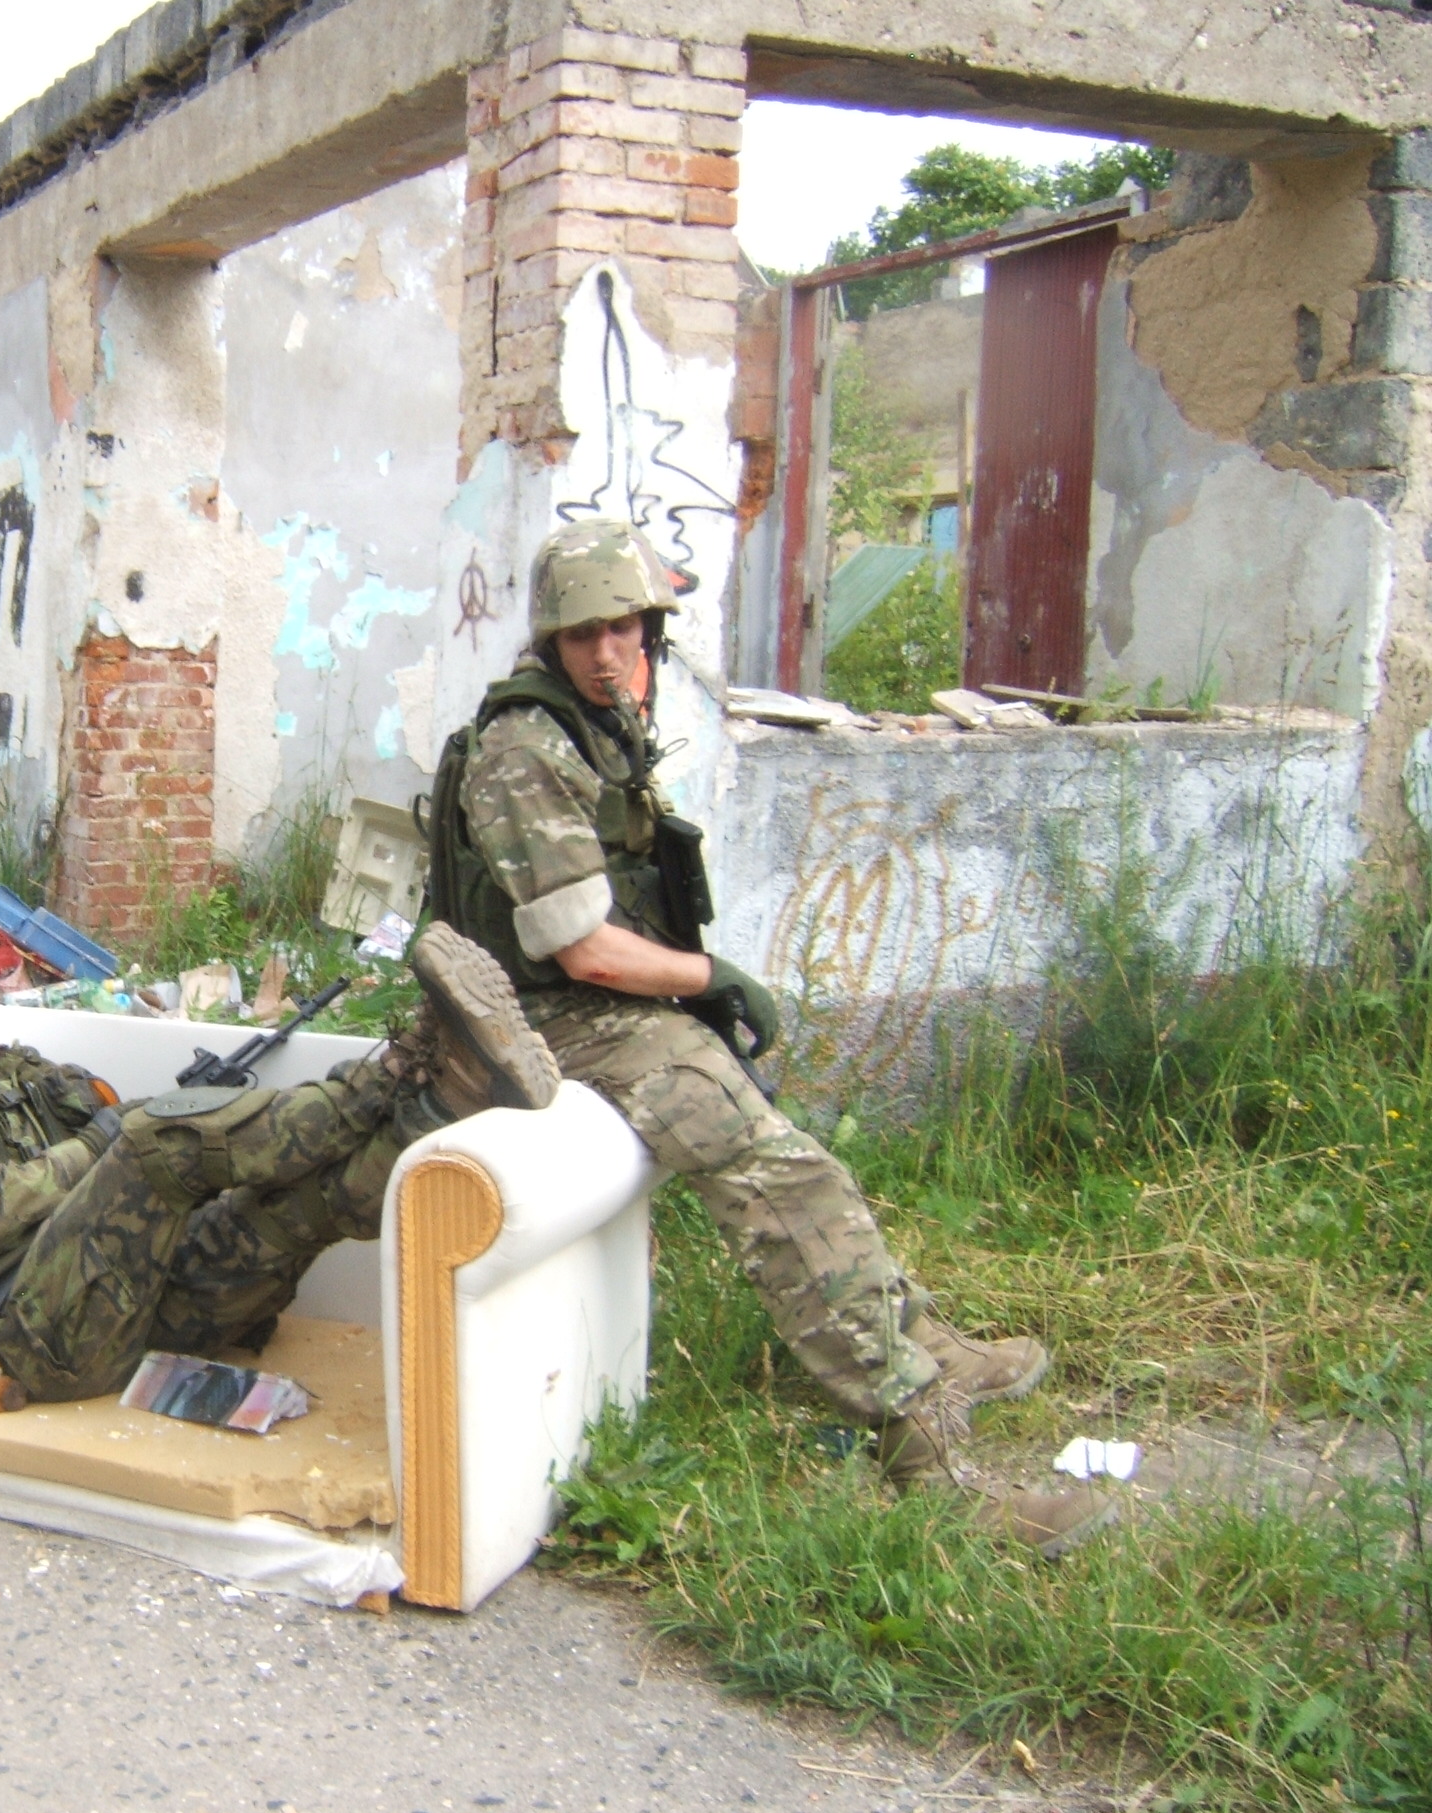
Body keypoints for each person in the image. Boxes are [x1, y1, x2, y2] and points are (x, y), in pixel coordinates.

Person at [427, 519, 1114, 1556]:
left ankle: (915, 1334)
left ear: (649, 631)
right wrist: (714, 979)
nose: (607, 650)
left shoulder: (595, 721)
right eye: (582, 635)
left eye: (623, 628)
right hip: (541, 1020)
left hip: (588, 1004)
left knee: (788, 1149)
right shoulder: (527, 748)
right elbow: (586, 953)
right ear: (553, 644)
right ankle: (929, 1459)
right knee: (774, 1178)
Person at [0, 927, 559, 1409]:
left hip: (135, 1306)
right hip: (29, 1340)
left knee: (284, 1217)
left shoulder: (29, 1072)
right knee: (160, 1143)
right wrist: (111, 1142)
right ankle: (385, 1077)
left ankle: (441, 1103)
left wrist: (162, 1126)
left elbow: (126, 1167)